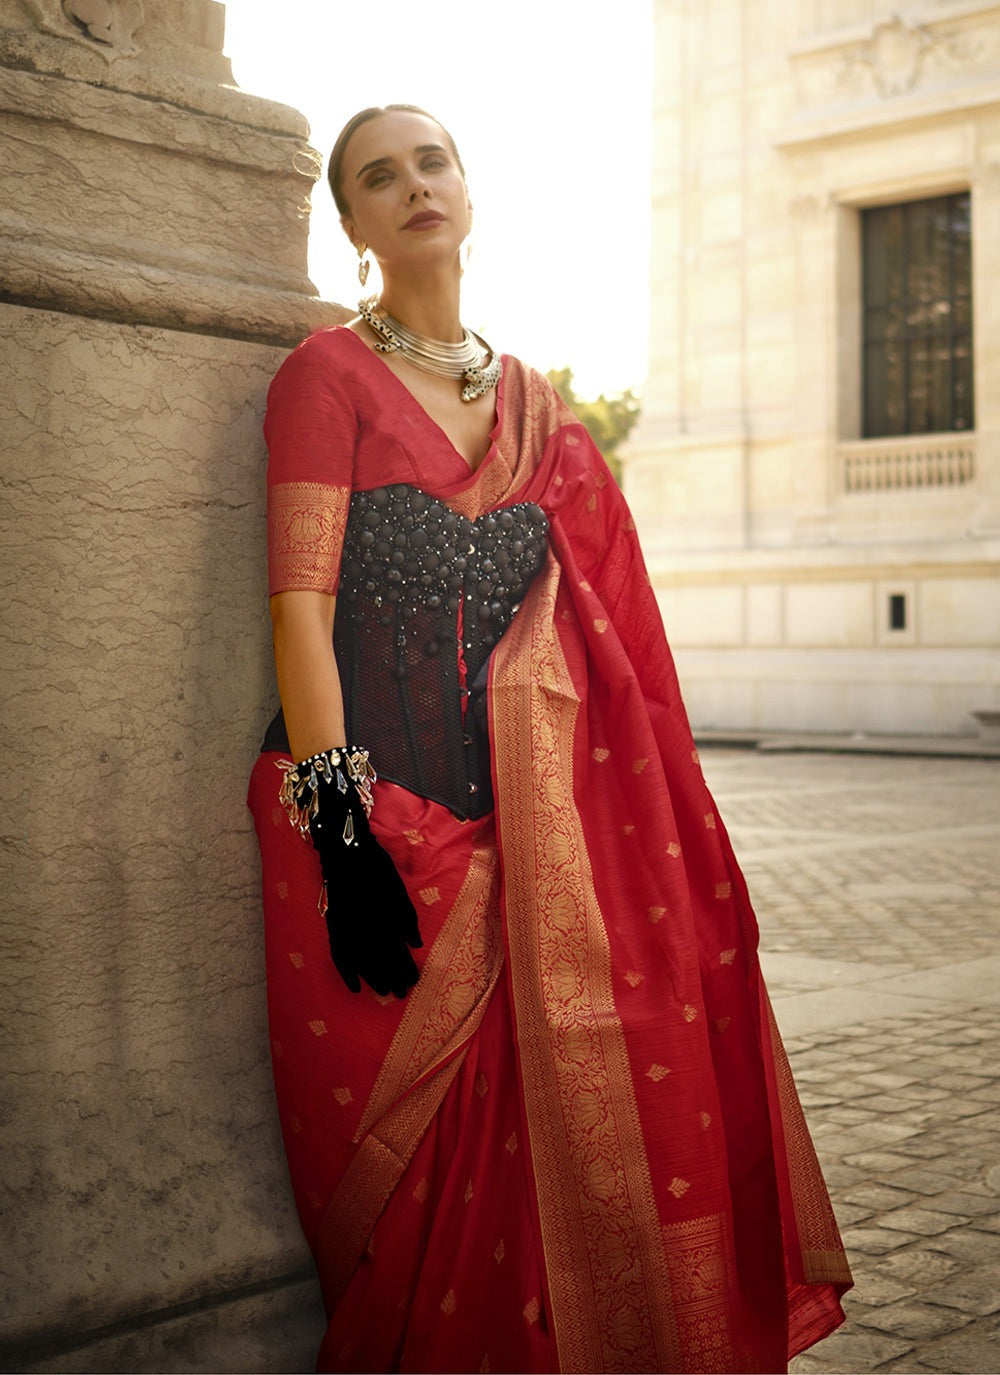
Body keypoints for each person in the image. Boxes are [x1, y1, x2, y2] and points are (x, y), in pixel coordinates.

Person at [247, 104, 852, 1375]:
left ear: (467, 189)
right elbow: (299, 609)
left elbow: (608, 639)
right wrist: (342, 825)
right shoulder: (326, 380)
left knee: (570, 1148)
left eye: (432, 162)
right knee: (414, 1175)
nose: (413, 186)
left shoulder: (540, 411)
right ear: (350, 225)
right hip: (380, 826)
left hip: (541, 842)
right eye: (379, 177)